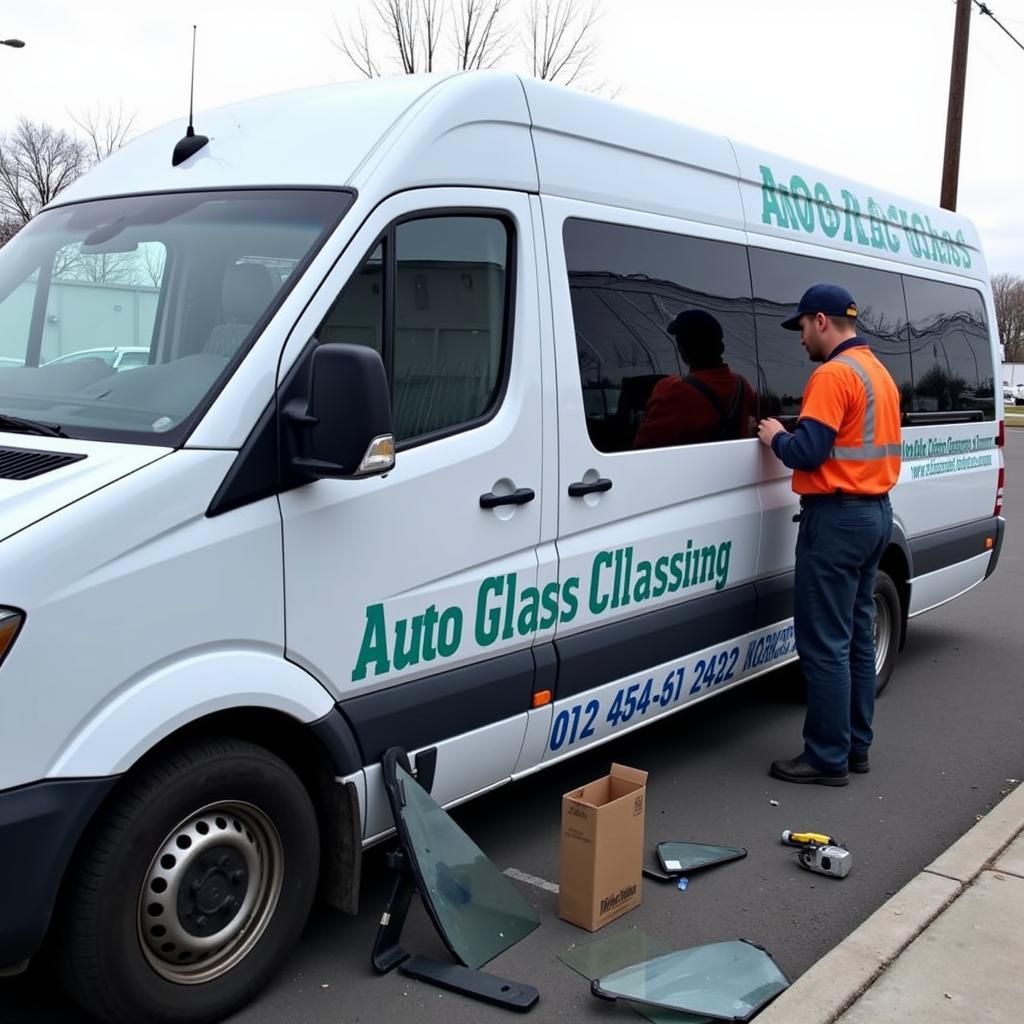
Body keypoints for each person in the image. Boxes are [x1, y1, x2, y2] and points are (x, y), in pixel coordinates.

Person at [757, 284, 900, 786]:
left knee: (824, 643)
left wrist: (776, 437)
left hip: (836, 520)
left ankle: (825, 757)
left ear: (821, 320)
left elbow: (809, 451)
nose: (799, 339)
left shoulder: (832, 374)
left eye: (800, 327)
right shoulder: (877, 372)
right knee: (857, 635)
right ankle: (855, 746)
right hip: (875, 513)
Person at [633, 309, 756, 449]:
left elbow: (643, 450)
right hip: (737, 468)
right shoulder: (742, 385)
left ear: (682, 350)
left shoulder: (671, 391)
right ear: (721, 348)